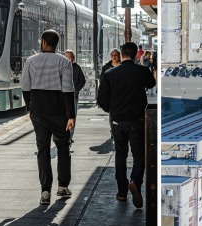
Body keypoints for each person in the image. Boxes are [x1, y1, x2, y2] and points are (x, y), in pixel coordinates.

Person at [97, 41, 156, 209]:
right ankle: (135, 182)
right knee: (139, 155)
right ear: (136, 54)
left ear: (121, 54)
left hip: (117, 121)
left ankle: (121, 192)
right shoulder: (142, 71)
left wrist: (113, 110)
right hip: (137, 120)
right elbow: (152, 84)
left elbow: (101, 99)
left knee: (120, 155)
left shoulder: (109, 73)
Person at [22, 30, 77, 205]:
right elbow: (68, 90)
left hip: (38, 110)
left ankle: (45, 191)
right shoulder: (64, 62)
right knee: (63, 147)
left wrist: (29, 107)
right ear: (56, 43)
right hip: (59, 111)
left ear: (44, 42)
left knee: (43, 150)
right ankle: (63, 187)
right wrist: (71, 116)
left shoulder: (30, 61)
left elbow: (25, 87)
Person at [63, 50, 88, 145]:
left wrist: (76, 89)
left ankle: (69, 137)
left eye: (70, 57)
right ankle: (64, 135)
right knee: (62, 117)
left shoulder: (77, 68)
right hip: (61, 97)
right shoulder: (59, 67)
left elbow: (82, 80)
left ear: (73, 58)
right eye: (66, 57)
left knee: (72, 116)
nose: (68, 59)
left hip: (73, 97)